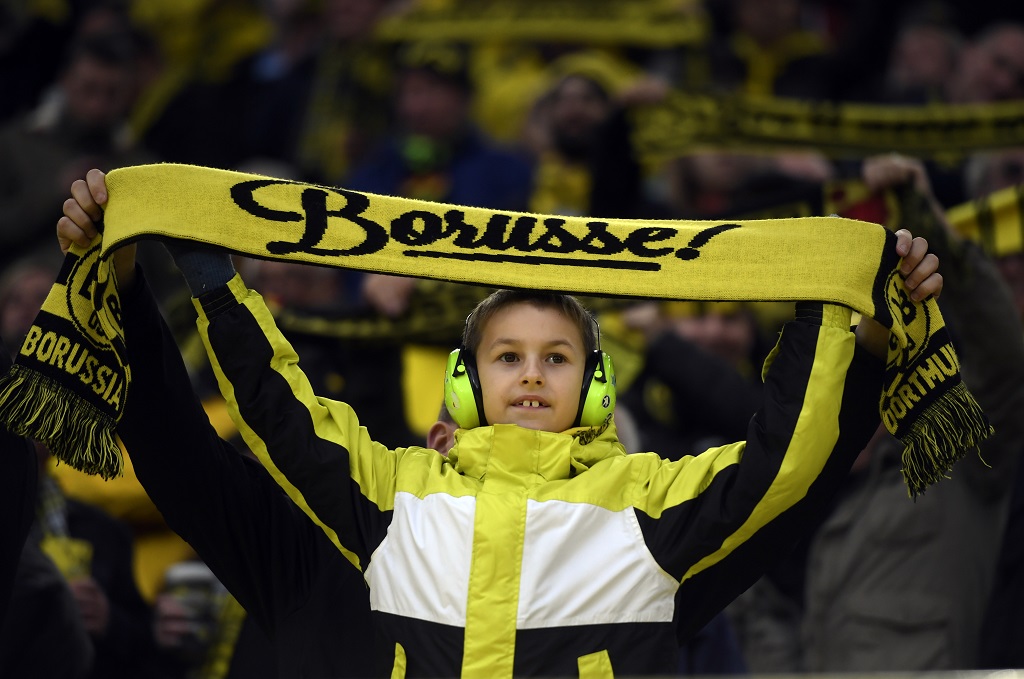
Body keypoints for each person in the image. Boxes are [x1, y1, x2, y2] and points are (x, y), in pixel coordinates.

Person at [59, 167, 942, 675]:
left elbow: (787, 463)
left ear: (597, 390)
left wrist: (845, 320)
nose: (529, 374)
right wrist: (196, 273)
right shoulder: (389, 495)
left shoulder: (648, 502)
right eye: (506, 356)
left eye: (557, 357)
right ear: (456, 392)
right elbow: (274, 417)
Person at [727, 153, 1024, 672]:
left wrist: (926, 220)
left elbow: (1004, 360)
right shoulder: (830, 507)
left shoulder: (956, 465)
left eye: (858, 385)